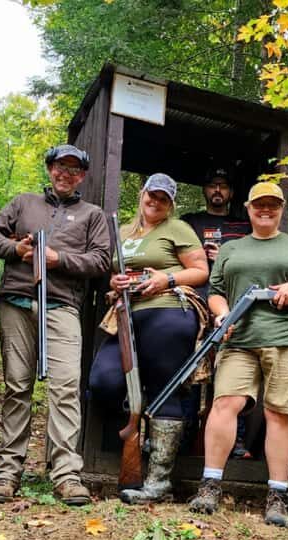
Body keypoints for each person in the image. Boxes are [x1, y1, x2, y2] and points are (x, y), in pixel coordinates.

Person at [188, 181, 288, 526]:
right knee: (225, 404)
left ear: (281, 210)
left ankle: (277, 495)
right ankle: (209, 485)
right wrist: (222, 315)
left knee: (279, 413)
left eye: (273, 205)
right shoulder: (231, 249)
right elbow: (216, 292)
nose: (266, 210)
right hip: (239, 337)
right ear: (248, 209)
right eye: (259, 205)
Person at [0, 144, 110, 506]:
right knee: (16, 386)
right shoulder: (23, 203)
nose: (65, 174)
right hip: (17, 302)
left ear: (82, 175)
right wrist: (17, 250)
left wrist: (59, 259)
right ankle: (8, 472)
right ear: (50, 169)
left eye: (73, 169)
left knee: (66, 388)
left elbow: (101, 260)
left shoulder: (93, 214)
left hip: (62, 306)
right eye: (60, 167)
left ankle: (66, 474)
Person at [89, 173, 209, 504]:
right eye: (151, 195)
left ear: (170, 203)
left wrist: (166, 279)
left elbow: (201, 271)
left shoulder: (178, 229)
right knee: (104, 380)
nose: (155, 201)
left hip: (169, 312)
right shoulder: (124, 231)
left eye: (163, 198)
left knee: (164, 389)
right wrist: (116, 283)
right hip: (126, 315)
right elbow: (113, 271)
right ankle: (137, 429)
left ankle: (158, 483)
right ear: (142, 195)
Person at [181, 167, 254, 458]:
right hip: (192, 307)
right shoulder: (189, 223)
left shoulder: (243, 226)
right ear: (205, 190)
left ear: (231, 193)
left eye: (223, 186)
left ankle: (235, 441)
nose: (218, 191)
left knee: (232, 374)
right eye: (213, 185)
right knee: (186, 372)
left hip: (231, 307)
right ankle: (182, 439)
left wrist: (225, 255)